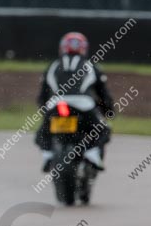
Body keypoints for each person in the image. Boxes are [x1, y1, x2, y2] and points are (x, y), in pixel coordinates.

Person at [35, 32, 114, 172]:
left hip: (56, 105)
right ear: (84, 48)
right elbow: (104, 95)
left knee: (42, 133)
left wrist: (45, 112)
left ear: (62, 48)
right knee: (103, 130)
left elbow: (42, 96)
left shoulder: (53, 66)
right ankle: (92, 153)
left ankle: (48, 155)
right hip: (83, 106)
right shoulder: (91, 66)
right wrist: (108, 111)